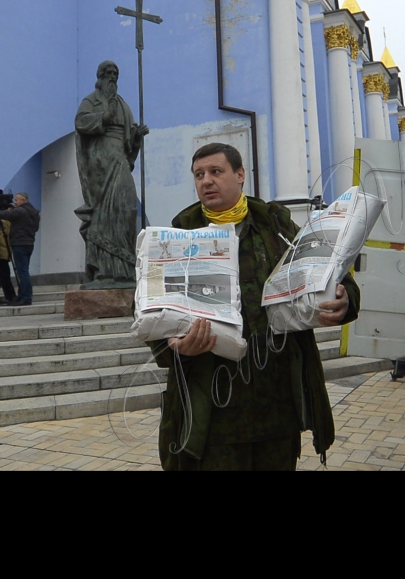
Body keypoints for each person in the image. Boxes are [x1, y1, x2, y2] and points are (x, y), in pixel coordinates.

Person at [148, 143, 360, 471]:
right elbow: (153, 310)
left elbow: (330, 271)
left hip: (277, 408)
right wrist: (173, 345)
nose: (206, 181)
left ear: (240, 174)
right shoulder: (177, 238)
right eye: (199, 175)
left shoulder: (277, 229)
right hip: (213, 413)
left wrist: (344, 300)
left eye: (216, 172)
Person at [74, 60, 149, 288]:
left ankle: (124, 270)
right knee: (103, 214)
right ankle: (104, 273)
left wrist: (137, 137)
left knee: (127, 208)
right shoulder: (92, 100)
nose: (112, 76)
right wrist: (102, 118)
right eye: (108, 72)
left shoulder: (122, 103)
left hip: (119, 158)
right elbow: (80, 122)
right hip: (100, 161)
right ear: (100, 76)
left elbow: (128, 140)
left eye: (115, 73)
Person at [0, 193, 40, 306]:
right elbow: (35, 228)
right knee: (24, 270)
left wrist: (6, 210)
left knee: (22, 272)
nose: (15, 202)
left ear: (23, 200)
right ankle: (22, 295)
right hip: (29, 243)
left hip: (19, 243)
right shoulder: (35, 213)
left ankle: (26, 297)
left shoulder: (20, 211)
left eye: (16, 200)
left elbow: (5, 215)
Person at [0, 216, 17, 306]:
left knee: (4, 275)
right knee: (4, 275)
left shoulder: (6, 222)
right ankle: (10, 296)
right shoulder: (6, 222)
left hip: (3, 252)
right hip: (3, 253)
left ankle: (10, 296)